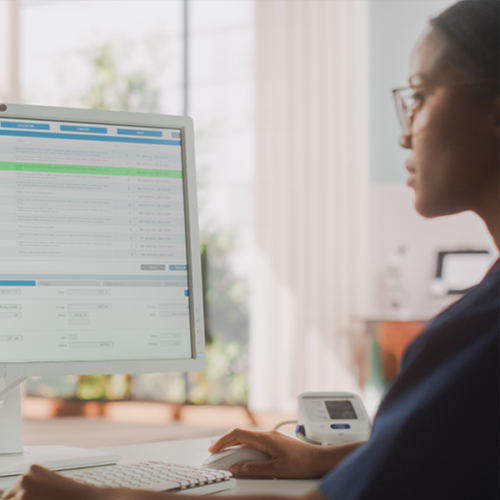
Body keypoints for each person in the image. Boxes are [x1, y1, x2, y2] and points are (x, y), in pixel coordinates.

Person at [2, 1, 498, 499]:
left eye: (420, 95)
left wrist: (96, 497)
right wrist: (326, 458)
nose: (404, 132)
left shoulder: (478, 336)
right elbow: (451, 450)